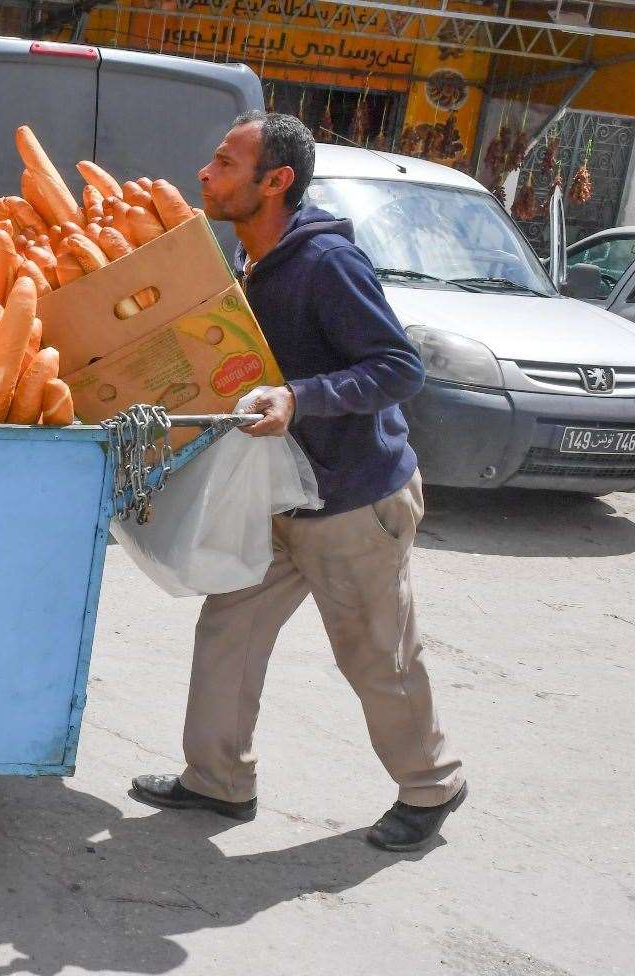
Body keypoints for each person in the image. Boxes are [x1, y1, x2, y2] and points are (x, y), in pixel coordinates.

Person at [129, 111, 466, 852]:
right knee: (229, 630)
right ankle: (218, 782)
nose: (205, 175)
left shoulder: (325, 264)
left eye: (224, 162)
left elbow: (398, 368)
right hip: (280, 490)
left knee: (377, 654)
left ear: (274, 181)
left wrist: (300, 398)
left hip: (353, 500)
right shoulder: (250, 258)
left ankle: (432, 787)